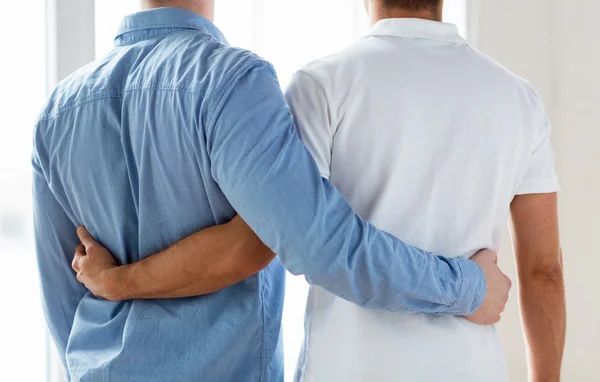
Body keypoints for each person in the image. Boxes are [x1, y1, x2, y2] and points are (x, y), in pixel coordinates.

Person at [69, 0, 565, 381]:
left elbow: (260, 239)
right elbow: (544, 273)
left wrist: (120, 281)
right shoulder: (519, 100)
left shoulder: (322, 84)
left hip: (347, 368)